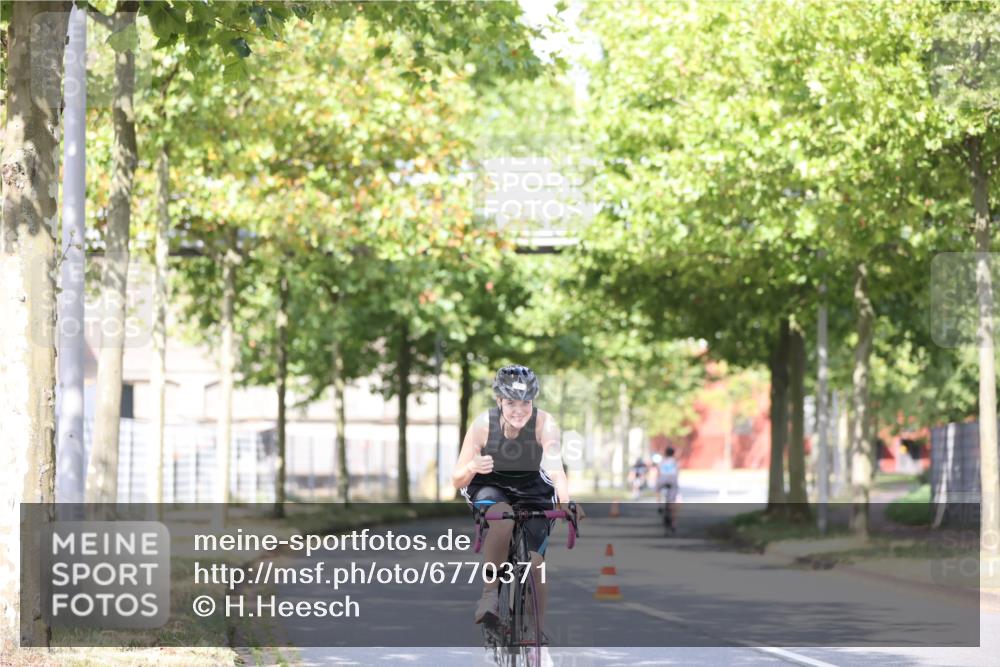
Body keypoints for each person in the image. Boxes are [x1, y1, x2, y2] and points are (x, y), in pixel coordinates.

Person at [451, 364, 585, 633]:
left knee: (536, 565)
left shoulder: (544, 424)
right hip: (491, 486)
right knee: (503, 520)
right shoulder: (482, 425)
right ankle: (490, 595)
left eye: (525, 402)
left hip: (533, 490)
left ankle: (537, 634)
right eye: (511, 402)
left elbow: (555, 467)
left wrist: (567, 501)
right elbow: (457, 479)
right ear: (499, 400)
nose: (518, 410)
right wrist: (472, 467)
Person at [656, 447, 680, 528]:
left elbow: (658, 473)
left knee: (657, 489)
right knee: (673, 502)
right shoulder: (675, 462)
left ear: (665, 453)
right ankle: (673, 522)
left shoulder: (662, 461)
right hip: (672, 481)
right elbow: (677, 473)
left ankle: (659, 504)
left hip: (662, 481)